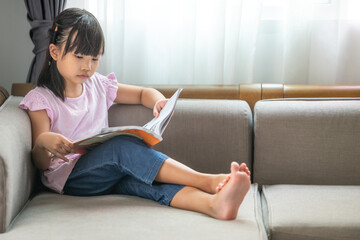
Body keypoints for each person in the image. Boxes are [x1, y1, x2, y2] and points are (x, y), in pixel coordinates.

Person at [19, 8, 251, 220]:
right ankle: (208, 181)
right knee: (121, 147)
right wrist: (43, 143)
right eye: (79, 57)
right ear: (55, 52)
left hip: (107, 171)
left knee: (147, 181)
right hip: (70, 179)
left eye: (94, 58)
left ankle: (214, 205)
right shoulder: (41, 99)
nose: (87, 67)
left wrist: (158, 101)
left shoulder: (98, 85)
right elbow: (40, 163)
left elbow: (141, 93)